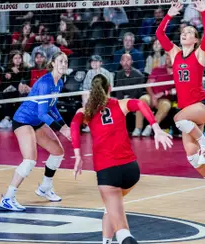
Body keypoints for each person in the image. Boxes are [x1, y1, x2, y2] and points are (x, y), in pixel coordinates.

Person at [70, 74, 173, 244]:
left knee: (123, 231)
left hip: (108, 172)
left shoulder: (85, 112)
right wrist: (156, 128)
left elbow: (74, 126)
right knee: (110, 208)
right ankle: (106, 241)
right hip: (131, 170)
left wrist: (78, 156)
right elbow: (140, 103)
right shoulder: (120, 104)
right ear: (109, 88)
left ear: (91, 91)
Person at [155, 0, 205, 208]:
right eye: (183, 32)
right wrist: (169, 14)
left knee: (177, 118)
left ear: (195, 40)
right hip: (189, 114)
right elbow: (159, 34)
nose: (184, 34)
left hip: (203, 106)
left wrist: (204, 12)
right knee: (192, 156)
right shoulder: (175, 53)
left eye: (189, 33)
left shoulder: (199, 54)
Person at [0, 51, 71, 211]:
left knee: (58, 151)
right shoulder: (45, 83)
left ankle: (45, 187)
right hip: (23, 120)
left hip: (37, 122)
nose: (64, 64)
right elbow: (42, 113)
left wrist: (64, 125)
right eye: (60, 61)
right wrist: (61, 129)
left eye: (66, 61)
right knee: (30, 160)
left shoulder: (59, 81)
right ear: (52, 64)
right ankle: (8, 197)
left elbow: (52, 107)